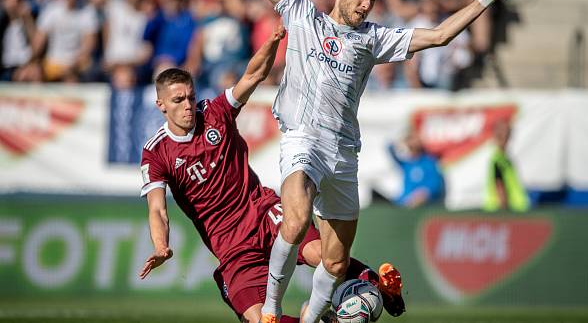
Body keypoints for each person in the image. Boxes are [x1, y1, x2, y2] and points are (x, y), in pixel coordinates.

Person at [250, 0, 517, 322]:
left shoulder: (373, 38)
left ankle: (310, 319)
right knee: (296, 220)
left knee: (335, 261)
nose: (366, 4)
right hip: (303, 140)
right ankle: (271, 310)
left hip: (343, 156)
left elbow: (439, 35)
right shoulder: (302, 14)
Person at [138, 26, 402, 323]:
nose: (187, 105)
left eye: (190, 96)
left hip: (262, 210)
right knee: (259, 320)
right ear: (160, 105)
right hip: (231, 245)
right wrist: (161, 245)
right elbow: (158, 209)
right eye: (178, 101)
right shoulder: (156, 152)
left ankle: (380, 286)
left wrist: (273, 41)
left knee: (320, 254)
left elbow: (252, 76)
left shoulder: (215, 112)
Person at [483, 119, 530, 212]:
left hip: (514, 210)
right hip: (504, 212)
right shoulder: (498, 161)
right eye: (502, 135)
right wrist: (505, 213)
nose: (506, 138)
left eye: (507, 134)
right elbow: (500, 188)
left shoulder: (505, 160)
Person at [388, 131, 444, 208]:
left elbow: (435, 184)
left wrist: (424, 194)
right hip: (403, 204)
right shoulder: (406, 164)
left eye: (414, 140)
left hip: (423, 206)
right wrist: (400, 142)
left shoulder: (429, 161)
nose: (412, 143)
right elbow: (390, 149)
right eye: (409, 140)